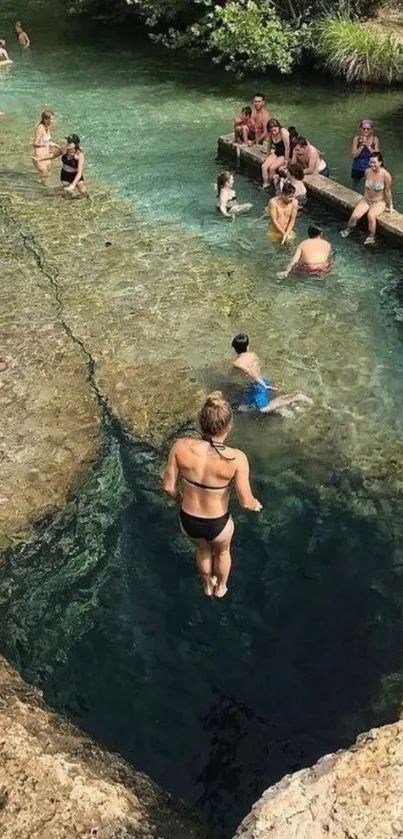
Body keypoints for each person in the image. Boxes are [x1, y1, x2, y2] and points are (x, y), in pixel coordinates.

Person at [162, 391, 262, 598]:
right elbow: (245, 501)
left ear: (201, 422)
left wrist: (180, 500)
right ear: (229, 426)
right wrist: (255, 505)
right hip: (218, 522)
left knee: (203, 549)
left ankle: (207, 584)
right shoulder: (236, 458)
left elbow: (168, 487)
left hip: (188, 518)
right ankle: (221, 587)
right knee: (222, 552)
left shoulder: (180, 446)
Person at [232, 334, 313, 416]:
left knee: (263, 409)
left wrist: (264, 385)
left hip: (258, 385)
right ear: (248, 346)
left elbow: (251, 373)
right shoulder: (253, 354)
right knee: (242, 408)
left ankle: (295, 398)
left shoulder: (238, 363)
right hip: (260, 380)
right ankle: (282, 408)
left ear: (234, 348)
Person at [341, 151, 393, 245]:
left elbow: (387, 191)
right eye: (370, 162)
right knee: (354, 216)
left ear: (380, 162)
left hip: (378, 202)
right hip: (366, 199)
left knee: (371, 216)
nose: (372, 164)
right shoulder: (367, 171)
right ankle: (348, 229)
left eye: (374, 162)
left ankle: (371, 236)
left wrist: (390, 205)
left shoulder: (386, 175)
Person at [350, 118, 380, 189]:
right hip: (357, 168)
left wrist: (368, 145)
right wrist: (362, 145)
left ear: (371, 130)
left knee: (370, 186)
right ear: (361, 129)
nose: (365, 130)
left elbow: (377, 156)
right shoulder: (356, 139)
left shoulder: (375, 139)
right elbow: (353, 155)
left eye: (368, 129)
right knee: (355, 185)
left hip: (370, 168)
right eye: (364, 128)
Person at [261, 119, 290, 187]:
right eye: (271, 131)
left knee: (272, 168)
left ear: (278, 127)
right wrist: (267, 155)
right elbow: (269, 145)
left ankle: (273, 185)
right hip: (276, 152)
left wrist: (286, 161)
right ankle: (265, 183)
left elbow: (287, 148)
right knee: (264, 166)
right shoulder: (270, 133)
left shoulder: (283, 132)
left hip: (284, 154)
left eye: (275, 130)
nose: (273, 132)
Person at [32, 110, 58, 178]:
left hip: (46, 155)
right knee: (44, 173)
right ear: (45, 119)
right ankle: (40, 187)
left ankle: (44, 186)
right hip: (39, 156)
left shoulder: (47, 126)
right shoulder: (40, 128)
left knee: (49, 172)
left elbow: (46, 140)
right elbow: (35, 143)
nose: (53, 121)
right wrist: (44, 145)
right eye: (51, 119)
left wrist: (54, 144)